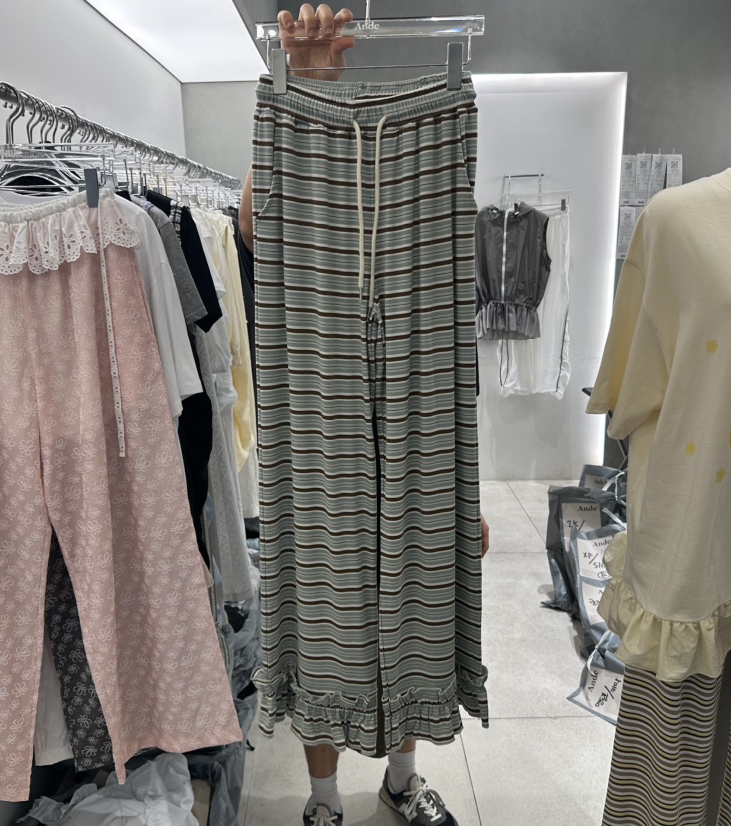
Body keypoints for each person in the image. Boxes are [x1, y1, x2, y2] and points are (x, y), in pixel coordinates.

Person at [239, 6, 491, 825]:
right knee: (325, 566)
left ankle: (399, 781)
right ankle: (323, 800)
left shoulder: (449, 122)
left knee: (419, 547)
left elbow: (453, 366)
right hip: (303, 143)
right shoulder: (284, 118)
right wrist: (303, 87)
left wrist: (467, 494)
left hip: (429, 145)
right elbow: (254, 228)